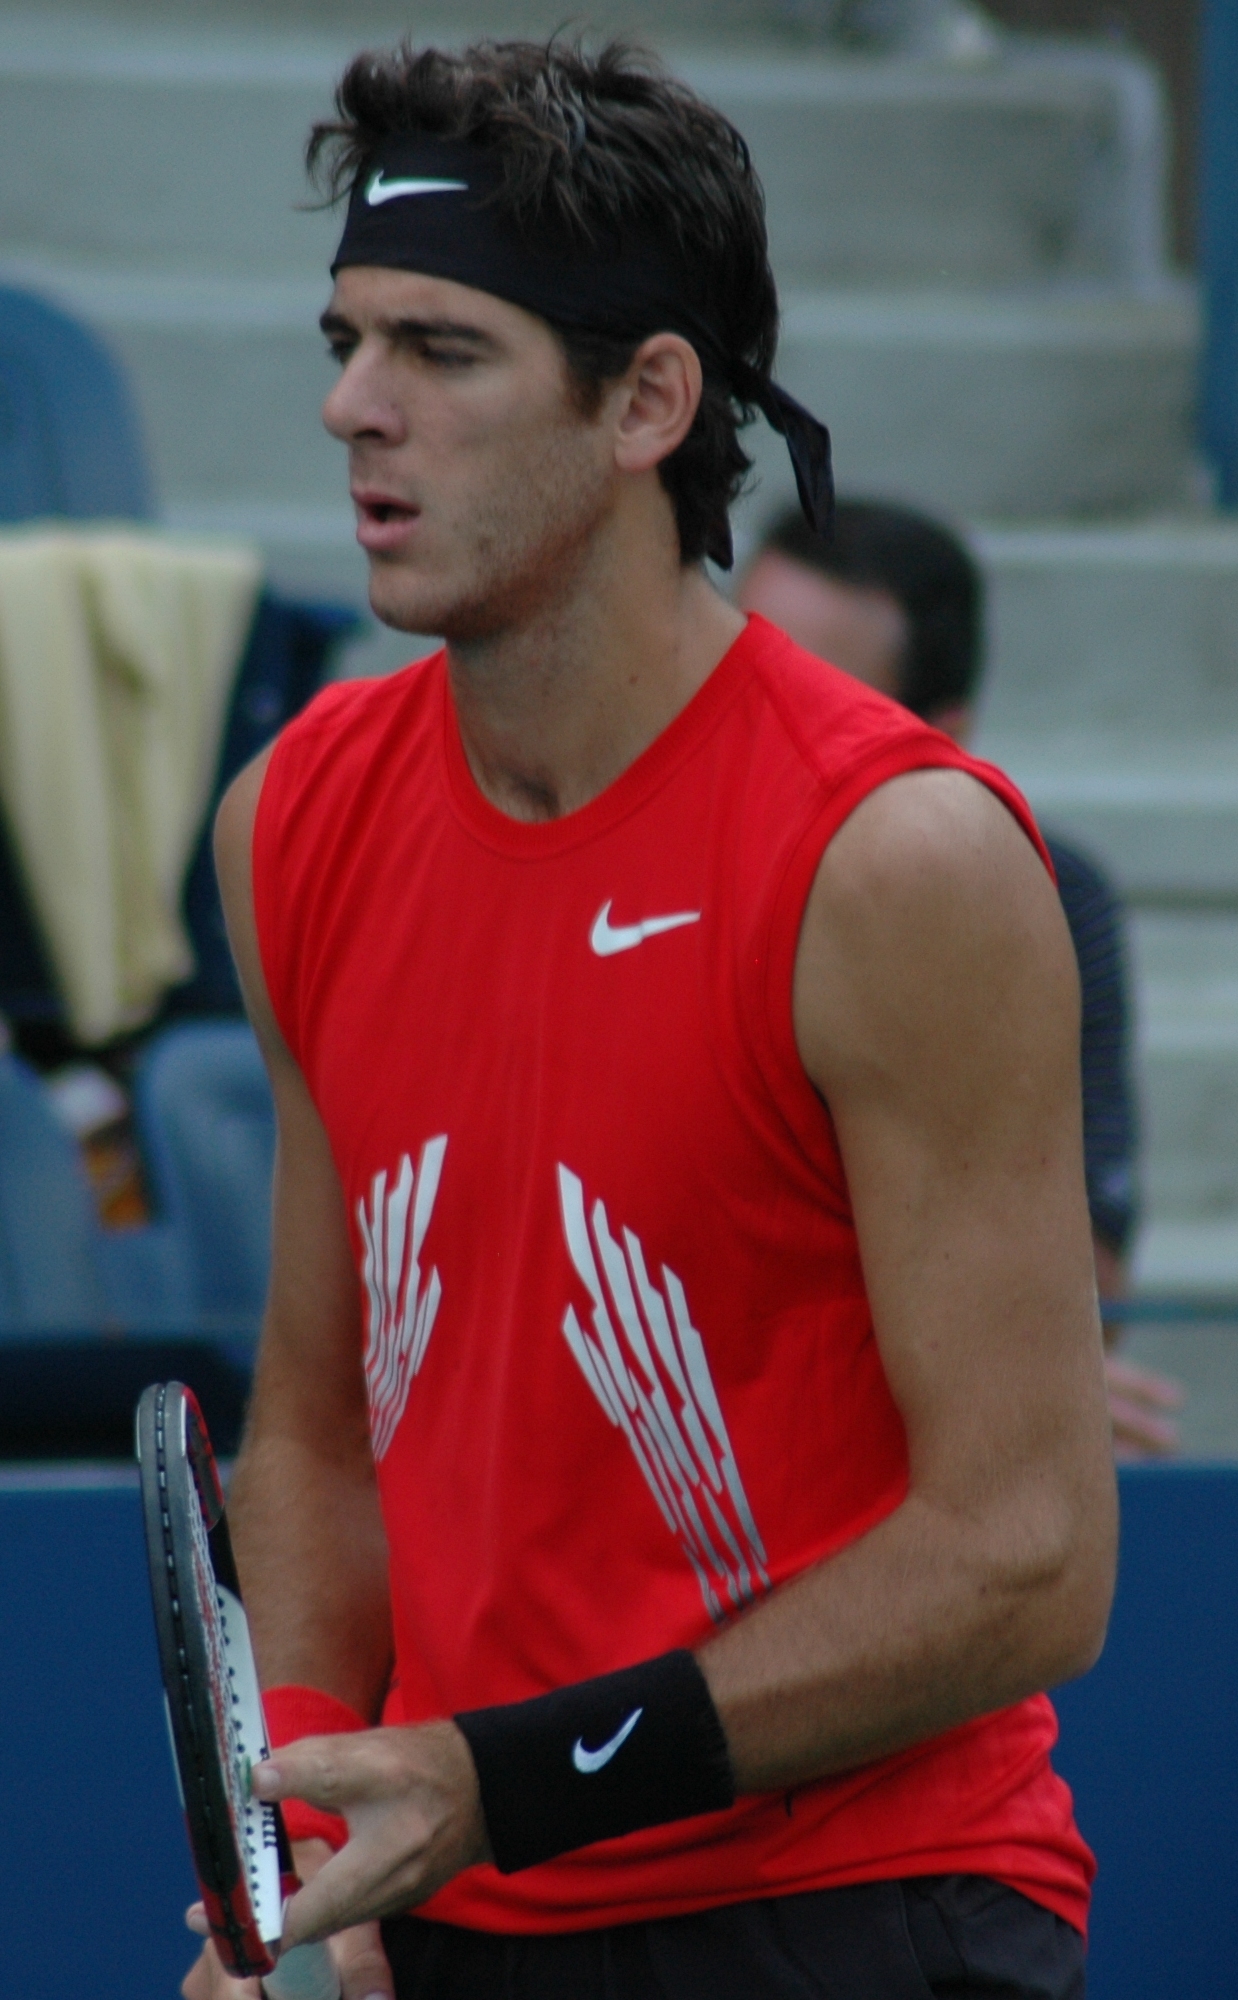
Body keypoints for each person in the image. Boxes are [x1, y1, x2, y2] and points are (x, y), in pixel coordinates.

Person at [188, 39, 1116, 2000]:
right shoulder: (292, 818)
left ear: (649, 405)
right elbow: (320, 1427)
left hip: (855, 1920)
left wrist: (501, 1781)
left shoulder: (895, 865)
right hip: (460, 1894)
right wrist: (314, 1848)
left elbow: (1030, 1549)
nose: (353, 407)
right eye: (348, 338)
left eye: (442, 351)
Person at [738, 501, 1183, 1459]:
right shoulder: (614, 871)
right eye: (729, 677)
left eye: (808, 705)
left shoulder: (1044, 894)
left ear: (941, 739)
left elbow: (1083, 1302)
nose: (741, 731)